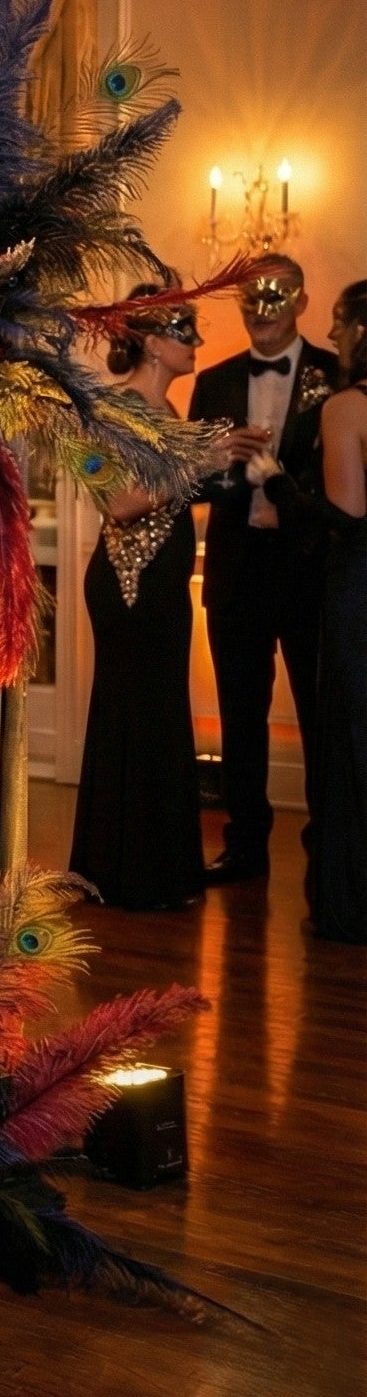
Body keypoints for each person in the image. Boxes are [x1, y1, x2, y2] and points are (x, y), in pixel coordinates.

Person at [70, 292, 256, 910]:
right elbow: (118, 501)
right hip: (129, 584)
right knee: (134, 710)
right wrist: (202, 457)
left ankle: (159, 868)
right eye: (184, 330)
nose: (195, 342)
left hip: (162, 582)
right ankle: (123, 873)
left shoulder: (167, 408)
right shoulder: (112, 409)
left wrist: (229, 465)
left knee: (161, 711)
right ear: (150, 342)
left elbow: (170, 494)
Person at [189, 257, 340, 885]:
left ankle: (328, 846)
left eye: (275, 297)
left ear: (302, 302)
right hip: (238, 568)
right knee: (240, 716)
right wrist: (228, 462)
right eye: (249, 299)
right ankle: (245, 843)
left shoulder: (338, 375)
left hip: (311, 572)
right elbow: (195, 479)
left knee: (320, 715)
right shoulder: (215, 381)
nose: (261, 309)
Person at [301, 280, 367, 942]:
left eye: (343, 324)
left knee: (352, 732)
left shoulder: (348, 406)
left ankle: (351, 904)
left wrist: (279, 485)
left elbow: (347, 512)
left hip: (358, 582)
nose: (336, 334)